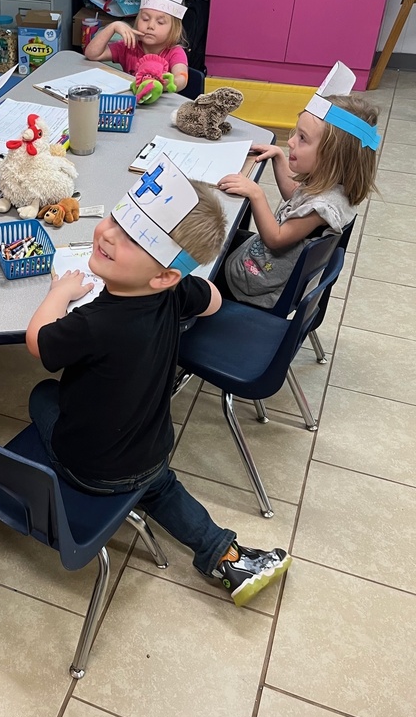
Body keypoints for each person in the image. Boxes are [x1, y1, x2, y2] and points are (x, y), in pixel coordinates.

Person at [25, 159, 291, 607]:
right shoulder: (173, 291)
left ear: (165, 273)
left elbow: (38, 343)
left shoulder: (94, 322)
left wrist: (60, 292)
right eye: (117, 218)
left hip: (92, 467)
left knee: (42, 396)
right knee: (159, 486)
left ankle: (95, 483)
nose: (107, 233)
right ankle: (227, 556)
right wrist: (181, 285)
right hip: (150, 451)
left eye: (132, 237)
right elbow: (213, 299)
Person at [217, 86, 379, 309]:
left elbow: (276, 238)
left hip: (254, 283)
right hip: (260, 262)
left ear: (332, 157)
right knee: (216, 234)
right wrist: (279, 159)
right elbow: (295, 196)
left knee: (194, 268)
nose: (291, 141)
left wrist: (256, 194)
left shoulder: (322, 207)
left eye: (303, 138)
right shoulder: (330, 185)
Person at [83, 0, 190, 94]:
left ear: (174, 29)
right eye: (145, 19)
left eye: (160, 22)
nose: (150, 26)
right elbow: (92, 54)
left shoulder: (175, 52)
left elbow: (182, 78)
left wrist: (169, 83)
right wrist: (113, 27)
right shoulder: (129, 46)